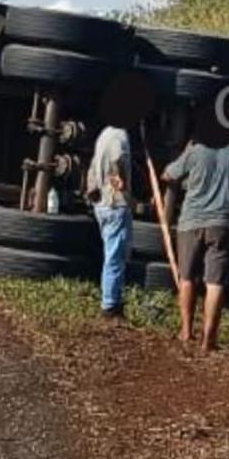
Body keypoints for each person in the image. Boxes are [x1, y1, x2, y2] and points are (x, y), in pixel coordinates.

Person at [162, 120, 229, 352]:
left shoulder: (195, 152)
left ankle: (186, 332)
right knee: (215, 282)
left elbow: (168, 175)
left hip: (190, 223)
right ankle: (208, 341)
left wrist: (185, 152)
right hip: (223, 224)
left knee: (187, 278)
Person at [86, 125, 133, 320]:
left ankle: (112, 299)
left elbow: (93, 164)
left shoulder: (104, 133)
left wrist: (92, 189)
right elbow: (117, 157)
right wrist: (121, 179)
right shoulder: (118, 135)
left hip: (102, 203)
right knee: (116, 255)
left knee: (111, 253)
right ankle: (111, 305)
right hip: (115, 202)